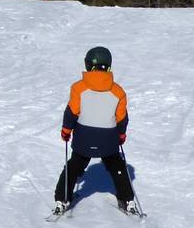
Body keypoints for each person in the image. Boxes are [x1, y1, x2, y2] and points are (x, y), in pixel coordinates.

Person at [53, 46, 136, 215]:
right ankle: (127, 200)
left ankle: (62, 199)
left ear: (89, 65)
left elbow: (71, 113)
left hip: (84, 140)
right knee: (117, 166)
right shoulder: (118, 92)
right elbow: (121, 119)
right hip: (108, 141)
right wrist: (121, 135)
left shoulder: (78, 88)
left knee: (74, 166)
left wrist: (66, 131)